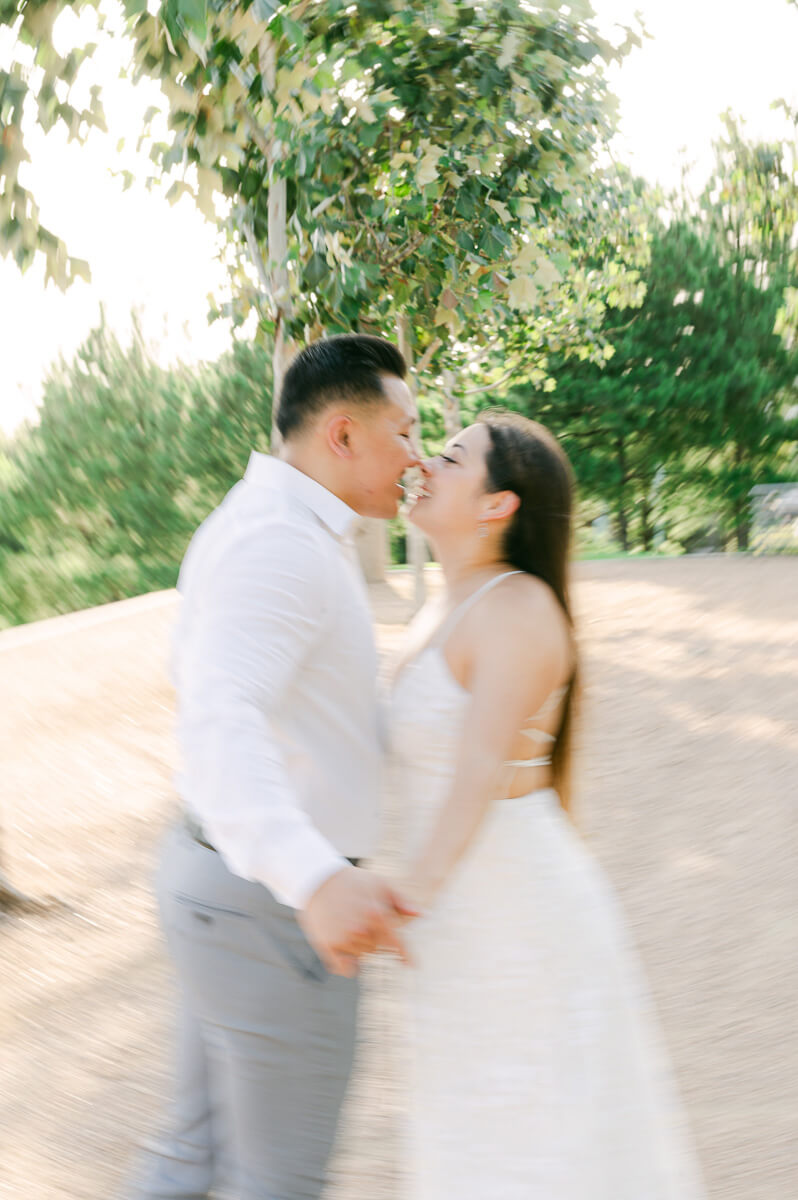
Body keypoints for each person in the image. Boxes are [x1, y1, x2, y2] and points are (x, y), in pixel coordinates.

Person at [127, 334, 421, 1200]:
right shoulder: (282, 546)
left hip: (223, 886)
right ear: (341, 434)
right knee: (277, 1182)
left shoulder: (272, 523)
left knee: (192, 1157)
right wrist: (316, 878)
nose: (414, 451)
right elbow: (219, 721)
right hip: (269, 908)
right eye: (403, 430)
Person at [389, 411, 706, 1199]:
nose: (428, 461)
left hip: (516, 911)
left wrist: (407, 898)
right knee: (473, 1129)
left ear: (499, 505)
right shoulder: (442, 606)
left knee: (537, 1133)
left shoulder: (519, 608)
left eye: (454, 456)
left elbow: (477, 773)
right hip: (462, 912)